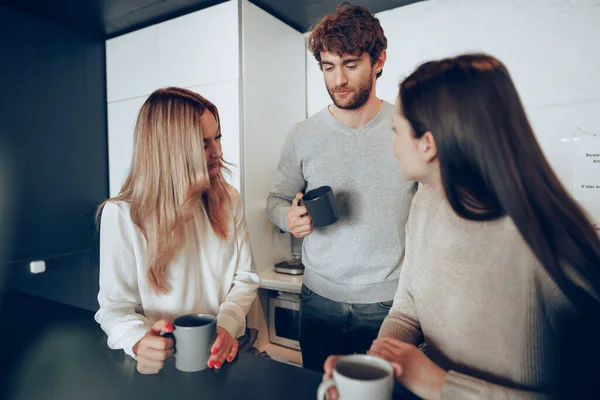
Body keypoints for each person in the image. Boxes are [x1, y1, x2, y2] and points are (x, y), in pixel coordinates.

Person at [322, 53, 600, 399]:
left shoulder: (556, 241)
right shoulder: (425, 202)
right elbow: (408, 308)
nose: (392, 144)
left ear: (428, 145)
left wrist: (439, 384)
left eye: (397, 130)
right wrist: (373, 370)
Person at [266, 2, 417, 373]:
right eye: (328, 67)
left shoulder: (408, 127)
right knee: (324, 391)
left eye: (350, 65)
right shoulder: (302, 135)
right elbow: (276, 200)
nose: (338, 80)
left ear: (378, 60)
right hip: (317, 300)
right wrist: (288, 217)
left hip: (390, 306)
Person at [95, 87, 260, 374]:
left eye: (217, 138)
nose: (218, 152)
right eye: (203, 143)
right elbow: (115, 307)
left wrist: (226, 325)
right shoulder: (122, 215)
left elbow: (244, 278)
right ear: (168, 150)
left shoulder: (227, 198)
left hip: (224, 352)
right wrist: (138, 340)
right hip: (162, 366)